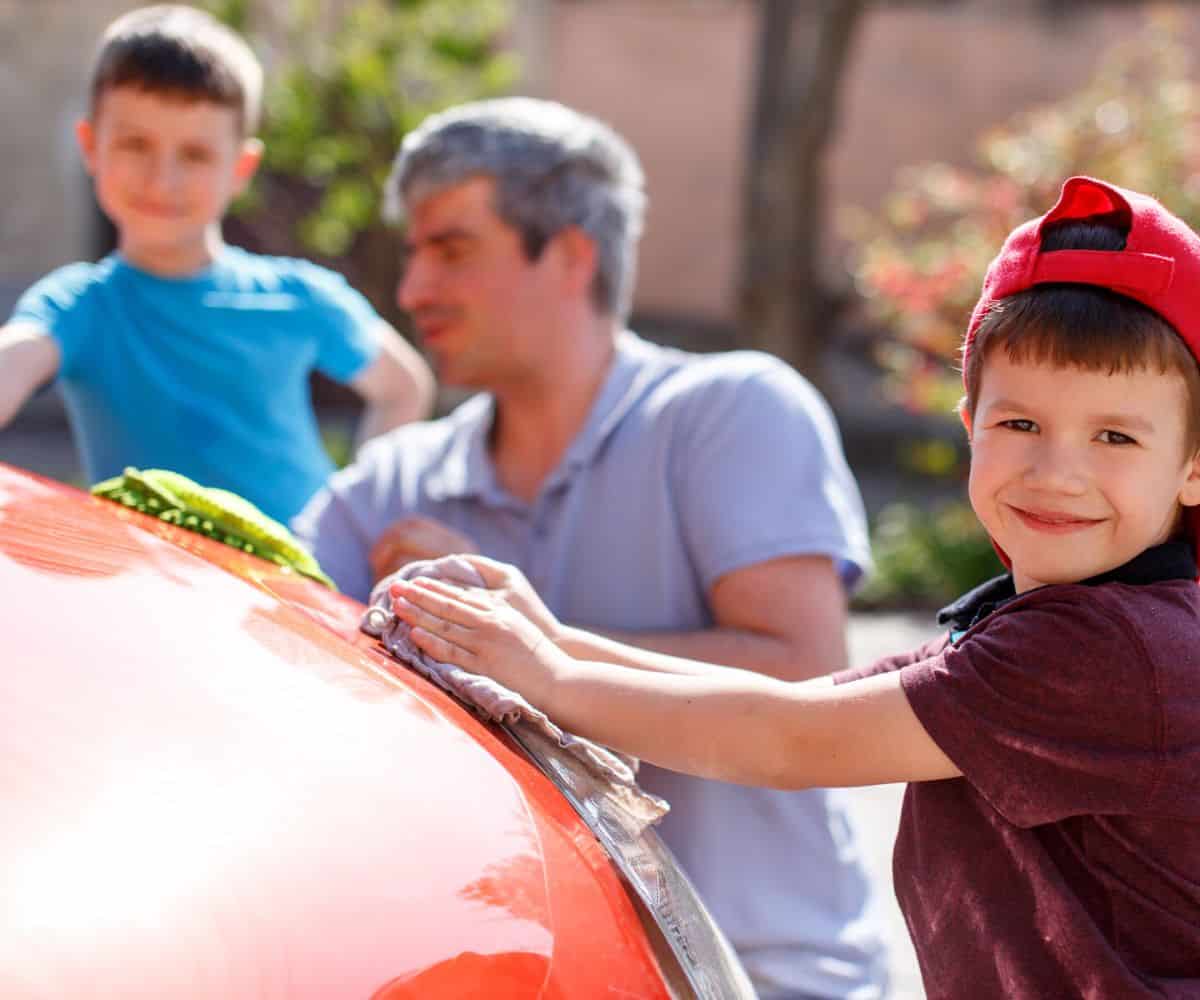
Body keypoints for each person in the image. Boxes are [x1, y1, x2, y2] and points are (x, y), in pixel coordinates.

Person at [388, 175, 1200, 999]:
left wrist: (550, 676)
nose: (1057, 471)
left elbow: (793, 740)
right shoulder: (1051, 627)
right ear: (970, 426)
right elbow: (811, 700)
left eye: (1115, 436)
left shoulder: (1109, 649)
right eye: (1019, 423)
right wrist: (552, 641)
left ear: (1194, 466)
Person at [293, 98, 888, 998]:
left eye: (450, 249)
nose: (411, 290)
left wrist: (508, 642)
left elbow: (801, 679)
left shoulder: (731, 411)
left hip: (765, 983)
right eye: (413, 253)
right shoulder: (393, 482)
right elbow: (271, 634)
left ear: (571, 254)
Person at [0, 4, 434, 524]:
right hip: (149, 589)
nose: (163, 180)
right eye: (136, 144)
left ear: (241, 167)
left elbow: (404, 387)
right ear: (91, 147)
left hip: (301, 586)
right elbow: (15, 358)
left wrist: (357, 517)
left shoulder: (298, 296)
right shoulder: (75, 305)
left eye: (196, 154)